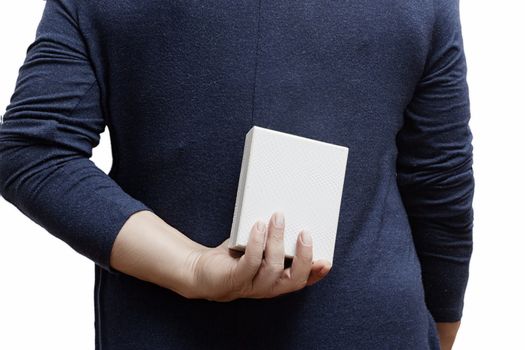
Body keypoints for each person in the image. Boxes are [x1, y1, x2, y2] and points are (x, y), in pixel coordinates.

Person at [0, 0, 474, 349]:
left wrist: (192, 266)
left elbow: (35, 149)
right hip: (372, 328)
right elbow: (439, 183)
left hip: (163, 331)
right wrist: (440, 334)